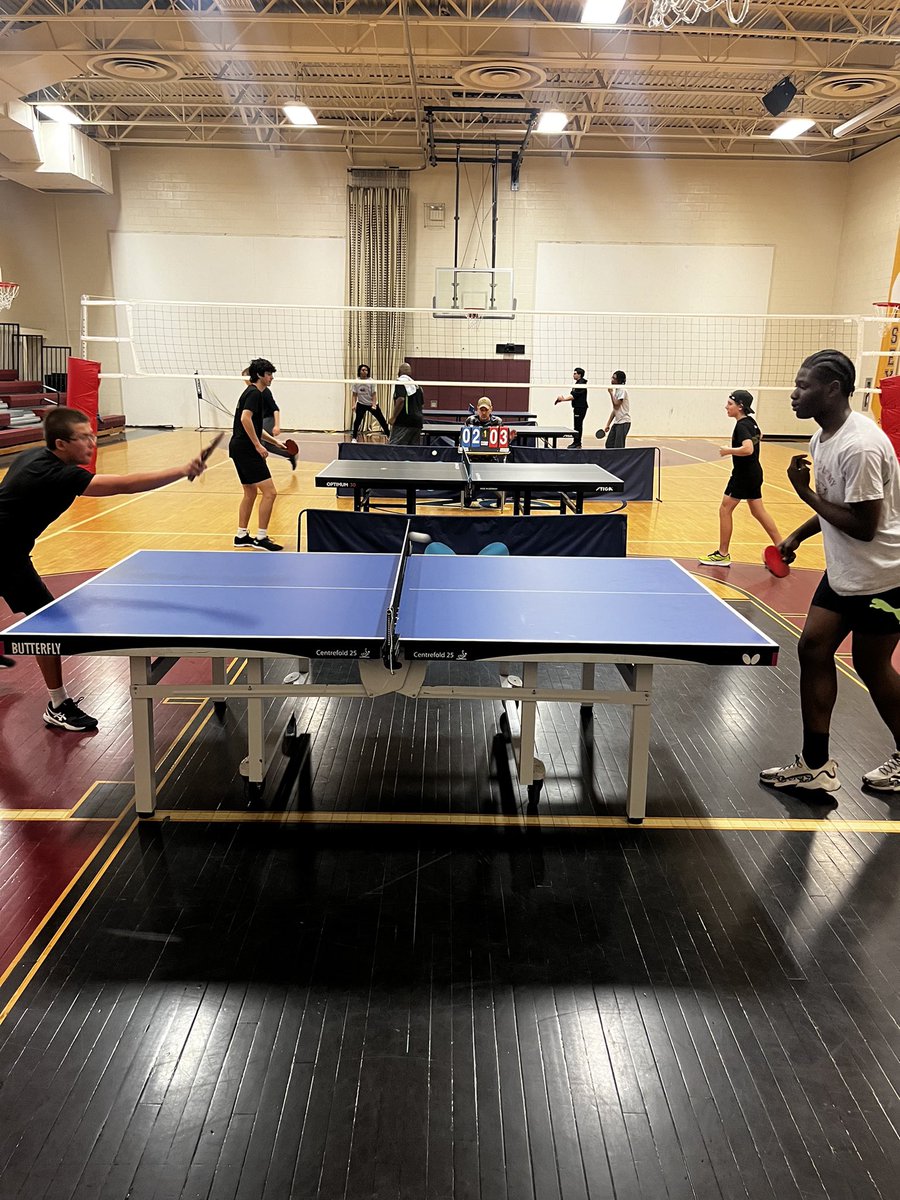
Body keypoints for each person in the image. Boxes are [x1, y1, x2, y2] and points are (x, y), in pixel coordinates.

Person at [0, 406, 205, 731]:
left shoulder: (33, 457)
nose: (92, 443)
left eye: (92, 435)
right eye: (83, 438)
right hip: (4, 555)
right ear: (61, 444)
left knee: (42, 621)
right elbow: (125, 484)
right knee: (47, 624)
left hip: (9, 551)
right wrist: (182, 470)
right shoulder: (61, 475)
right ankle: (58, 705)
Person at [760, 349, 900, 798]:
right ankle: (816, 765)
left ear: (833, 389)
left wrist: (804, 494)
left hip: (884, 576)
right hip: (846, 572)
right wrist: (798, 536)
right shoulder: (823, 438)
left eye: (803, 386)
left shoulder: (861, 446)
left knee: (872, 666)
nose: (793, 394)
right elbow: (837, 504)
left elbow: (864, 525)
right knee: (814, 648)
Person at [698, 389, 782, 567]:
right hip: (754, 473)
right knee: (758, 511)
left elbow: (748, 449)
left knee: (725, 509)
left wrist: (728, 450)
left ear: (740, 406)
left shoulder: (742, 426)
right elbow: (759, 436)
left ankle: (722, 554)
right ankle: (782, 547)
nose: (726, 407)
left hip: (743, 475)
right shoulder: (752, 423)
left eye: (730, 404)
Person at [229, 357, 288, 552]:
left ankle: (241, 535)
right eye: (269, 374)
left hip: (238, 447)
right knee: (270, 493)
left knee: (250, 492)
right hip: (246, 449)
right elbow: (245, 419)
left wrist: (274, 442)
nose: (271, 378)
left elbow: (254, 426)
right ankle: (261, 537)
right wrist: (257, 445)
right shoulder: (255, 393)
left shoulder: (252, 392)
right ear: (260, 375)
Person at [241, 366, 295, 470]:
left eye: (245, 378)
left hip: (269, 419)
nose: (244, 381)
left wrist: (277, 426)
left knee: (259, 441)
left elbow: (275, 409)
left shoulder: (264, 392)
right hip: (260, 419)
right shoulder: (250, 392)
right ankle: (289, 454)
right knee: (268, 445)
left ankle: (260, 464)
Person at [465, 397, 516, 506]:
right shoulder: (470, 421)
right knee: (465, 473)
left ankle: (501, 497)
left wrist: (508, 439)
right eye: (481, 410)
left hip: (491, 459)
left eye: (486, 410)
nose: (483, 413)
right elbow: (465, 440)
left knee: (499, 477)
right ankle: (467, 496)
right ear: (477, 409)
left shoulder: (497, 421)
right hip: (473, 459)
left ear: (491, 409)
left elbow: (502, 442)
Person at [350, 364, 389, 441]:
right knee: (357, 421)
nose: (364, 371)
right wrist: (353, 404)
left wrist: (374, 405)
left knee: (381, 420)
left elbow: (374, 394)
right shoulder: (356, 381)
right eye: (363, 370)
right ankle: (354, 437)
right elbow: (354, 394)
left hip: (371, 403)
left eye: (366, 370)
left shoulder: (371, 381)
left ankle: (389, 435)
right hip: (361, 404)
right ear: (359, 371)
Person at [389, 363, 425, 446]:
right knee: (413, 450)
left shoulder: (400, 383)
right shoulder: (418, 386)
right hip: (417, 422)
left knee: (394, 448)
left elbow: (401, 400)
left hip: (404, 422)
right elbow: (422, 405)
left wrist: (394, 417)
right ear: (410, 372)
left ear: (399, 372)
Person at [554, 368, 588, 449]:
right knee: (577, 426)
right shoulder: (578, 383)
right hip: (578, 407)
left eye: (575, 373)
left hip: (580, 408)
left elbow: (573, 396)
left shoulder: (581, 384)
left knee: (578, 426)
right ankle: (577, 442)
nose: (573, 375)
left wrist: (563, 399)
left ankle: (577, 443)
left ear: (579, 375)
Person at [603, 370, 630, 448]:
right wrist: (608, 424)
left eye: (614, 378)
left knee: (618, 446)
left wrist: (611, 393)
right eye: (612, 377)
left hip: (624, 422)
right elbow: (615, 410)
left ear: (619, 380)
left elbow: (616, 405)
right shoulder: (617, 390)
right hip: (617, 422)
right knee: (609, 444)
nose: (612, 379)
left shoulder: (622, 390)